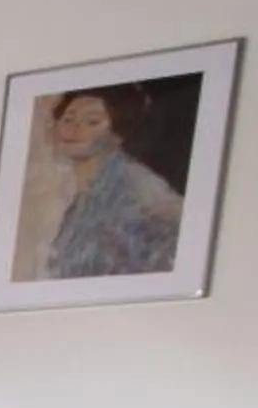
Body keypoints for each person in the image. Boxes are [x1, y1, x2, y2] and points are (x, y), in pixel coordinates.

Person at [40, 86, 183, 279]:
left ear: (118, 132)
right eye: (68, 119)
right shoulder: (81, 191)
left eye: (92, 122)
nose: (74, 129)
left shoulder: (138, 184)